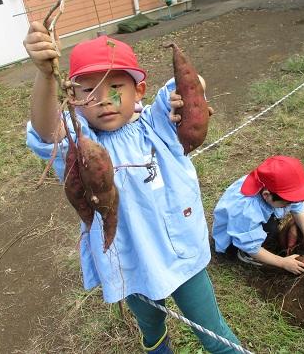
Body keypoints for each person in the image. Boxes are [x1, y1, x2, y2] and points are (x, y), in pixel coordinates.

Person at [23, 22, 240, 353]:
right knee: (152, 327)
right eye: (88, 90)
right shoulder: (81, 145)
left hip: (182, 254)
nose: (103, 100)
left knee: (213, 332)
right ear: (73, 98)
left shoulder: (158, 124)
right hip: (131, 262)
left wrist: (187, 97)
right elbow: (46, 130)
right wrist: (45, 75)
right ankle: (157, 344)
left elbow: (193, 84)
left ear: (138, 91)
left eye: (115, 86)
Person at [212, 155, 304, 275]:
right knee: (269, 232)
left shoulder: (273, 186)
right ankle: (242, 253)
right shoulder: (247, 210)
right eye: (286, 203)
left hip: (251, 219)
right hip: (234, 237)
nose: (290, 205)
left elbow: (296, 207)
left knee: (272, 228)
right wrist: (283, 262)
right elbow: (250, 245)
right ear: (267, 195)